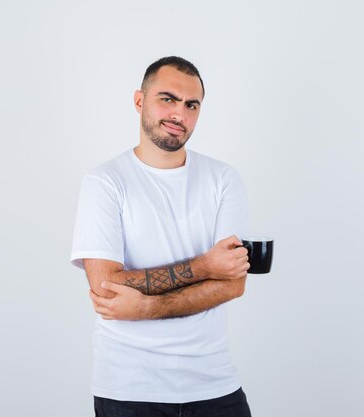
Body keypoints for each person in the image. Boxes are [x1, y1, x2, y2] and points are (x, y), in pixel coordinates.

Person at [70, 56, 253, 417]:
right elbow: (106, 287)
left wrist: (145, 308)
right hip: (129, 389)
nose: (179, 114)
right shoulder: (105, 182)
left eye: (191, 105)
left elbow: (232, 284)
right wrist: (205, 266)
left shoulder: (223, 179)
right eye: (167, 99)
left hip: (214, 383)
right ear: (140, 101)